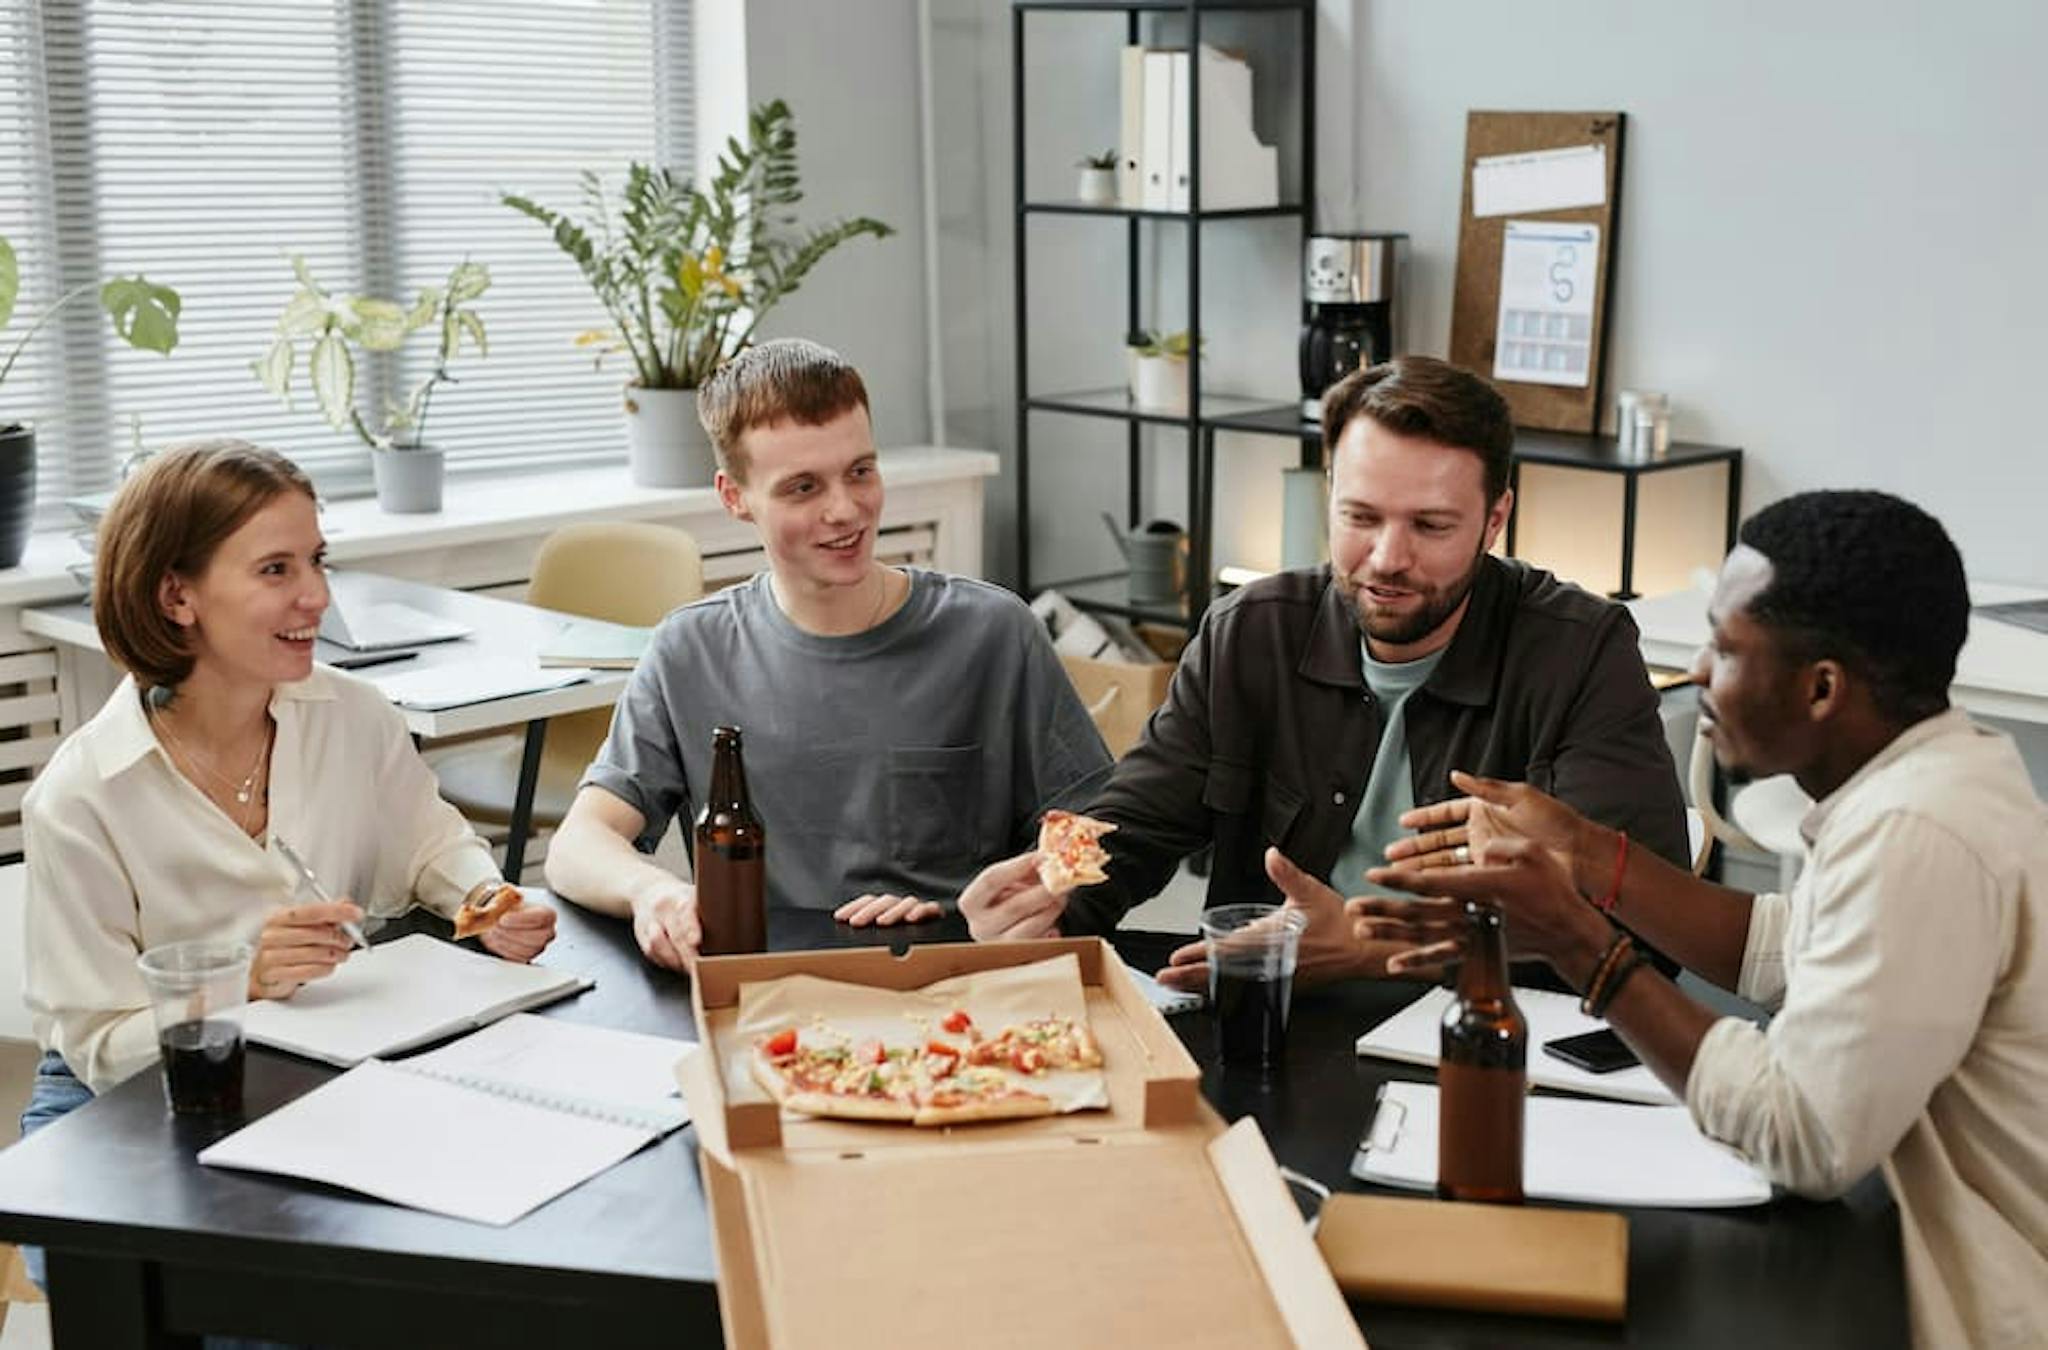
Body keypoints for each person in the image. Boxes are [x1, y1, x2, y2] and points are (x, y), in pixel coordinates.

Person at [1358, 490, 2047, 1349]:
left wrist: (1583, 945)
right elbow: (1790, 952)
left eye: (1725, 651)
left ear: (1822, 688)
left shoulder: (1916, 834)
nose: (1698, 677)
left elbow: (1805, 1140)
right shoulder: (1939, 776)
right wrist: (1588, 852)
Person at [961, 355, 1688, 989]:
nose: (1386, 559)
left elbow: (1647, 935)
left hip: (1484, 1029)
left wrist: (1377, 949)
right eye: (1360, 517)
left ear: (1495, 521)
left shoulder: (1581, 650)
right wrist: (1046, 899)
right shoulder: (1250, 629)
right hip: (1279, 1018)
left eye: (1430, 526)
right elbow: (1137, 825)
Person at [18, 440, 556, 1290]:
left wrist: (485, 897)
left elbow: (425, 839)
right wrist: (240, 982)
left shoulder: (354, 715)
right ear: (177, 595)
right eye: (275, 568)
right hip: (125, 1098)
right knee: (231, 1309)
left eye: (316, 559)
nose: (317, 596)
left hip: (315, 1055)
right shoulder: (83, 799)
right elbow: (97, 1046)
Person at [545, 338, 1110, 970]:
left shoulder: (995, 632)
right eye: (803, 487)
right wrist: (655, 892)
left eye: (860, 471)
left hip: (956, 993)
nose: (845, 510)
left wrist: (1006, 903)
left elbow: (1095, 831)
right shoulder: (688, 650)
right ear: (735, 497)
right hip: (768, 999)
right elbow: (577, 845)